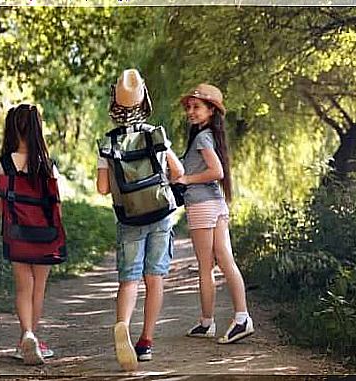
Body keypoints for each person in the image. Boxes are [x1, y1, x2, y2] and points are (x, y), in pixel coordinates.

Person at [97, 69, 184, 371]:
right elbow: (179, 171)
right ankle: (145, 341)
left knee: (129, 278)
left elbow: (102, 188)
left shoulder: (109, 143)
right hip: (161, 213)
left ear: (115, 104)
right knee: (155, 277)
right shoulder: (155, 134)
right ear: (144, 101)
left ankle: (122, 324)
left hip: (129, 217)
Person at [176, 84, 254, 344]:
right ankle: (238, 317)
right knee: (224, 260)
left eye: (196, 107)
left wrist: (186, 179)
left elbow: (216, 171)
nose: (191, 111)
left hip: (202, 205)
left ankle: (210, 322)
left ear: (211, 110)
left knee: (205, 267)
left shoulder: (202, 138)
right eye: (189, 107)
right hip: (216, 204)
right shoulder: (206, 136)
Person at [0, 104, 65, 365]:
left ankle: (25, 336)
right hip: (45, 235)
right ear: (37, 129)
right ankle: (33, 336)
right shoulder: (47, 165)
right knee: (38, 288)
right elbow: (57, 206)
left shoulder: (3, 165)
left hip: (16, 235)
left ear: (13, 128)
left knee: (23, 288)